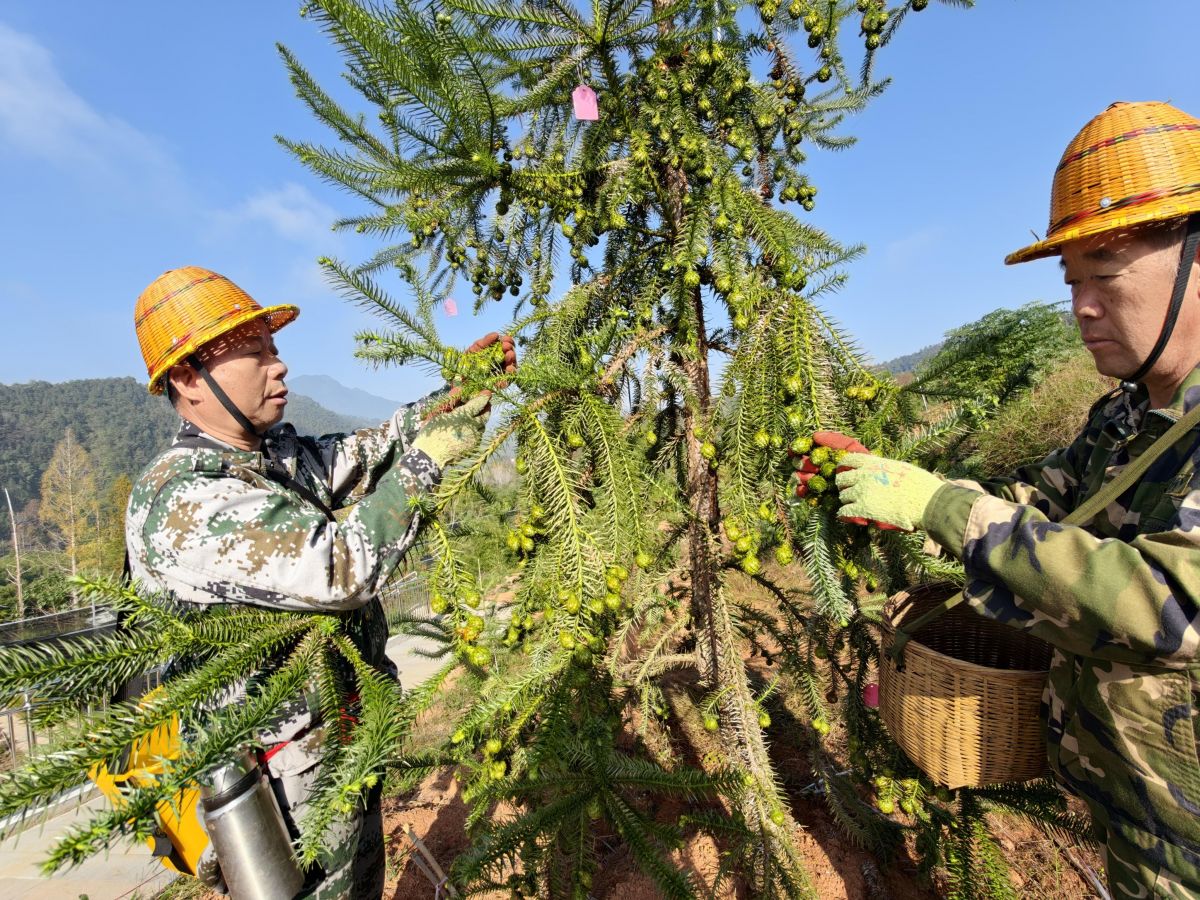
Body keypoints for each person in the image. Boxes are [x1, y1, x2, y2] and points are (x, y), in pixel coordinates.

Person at [805, 100, 1200, 897]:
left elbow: (1167, 605)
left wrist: (944, 509)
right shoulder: (1122, 418)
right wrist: (897, 494)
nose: (1082, 306)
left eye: (1106, 274)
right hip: (1133, 808)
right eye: (1072, 281)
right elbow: (1039, 511)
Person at [125, 265, 515, 899]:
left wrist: (456, 395)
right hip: (281, 796)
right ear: (188, 379)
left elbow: (375, 448)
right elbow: (341, 567)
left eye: (274, 349)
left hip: (340, 749)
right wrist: (432, 459)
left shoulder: (274, 459)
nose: (278, 366)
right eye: (255, 353)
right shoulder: (184, 498)